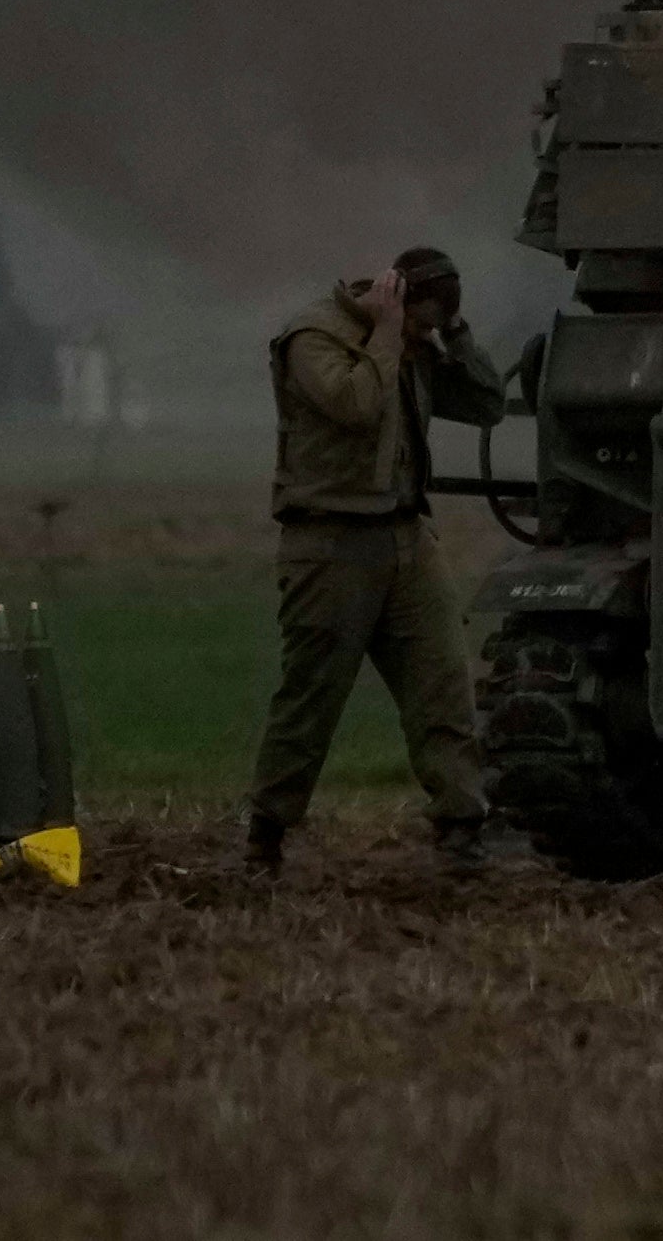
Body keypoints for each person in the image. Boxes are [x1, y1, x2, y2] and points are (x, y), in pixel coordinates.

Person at [248, 242, 516, 870]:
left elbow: (487, 405)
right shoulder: (313, 336)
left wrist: (451, 332)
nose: (425, 332)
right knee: (311, 698)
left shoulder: (416, 341)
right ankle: (267, 831)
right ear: (395, 297)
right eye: (421, 315)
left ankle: (460, 827)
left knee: (442, 684)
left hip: (405, 538)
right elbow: (356, 405)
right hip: (329, 544)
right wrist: (390, 334)